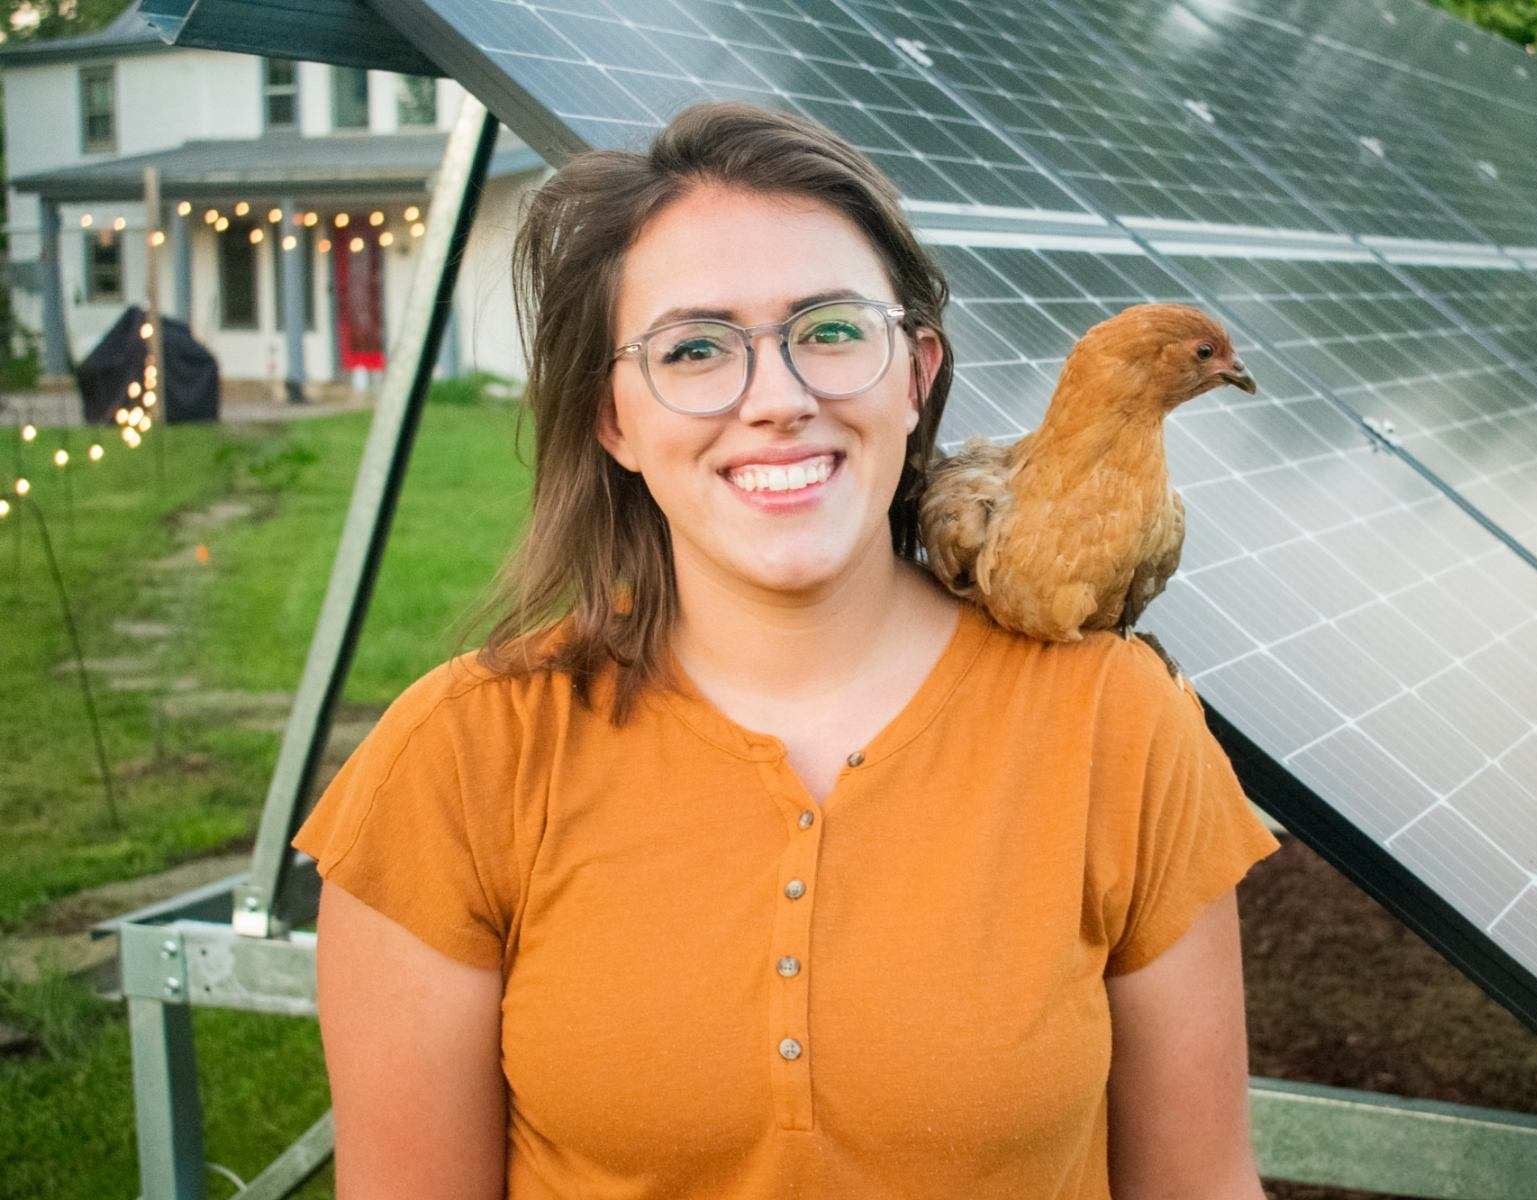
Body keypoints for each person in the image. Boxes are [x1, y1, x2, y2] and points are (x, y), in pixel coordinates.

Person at [293, 100, 1280, 1199]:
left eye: (830, 331)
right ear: (611, 419)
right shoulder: (460, 761)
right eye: (696, 349)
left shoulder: (1120, 727)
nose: (778, 401)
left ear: (914, 373)